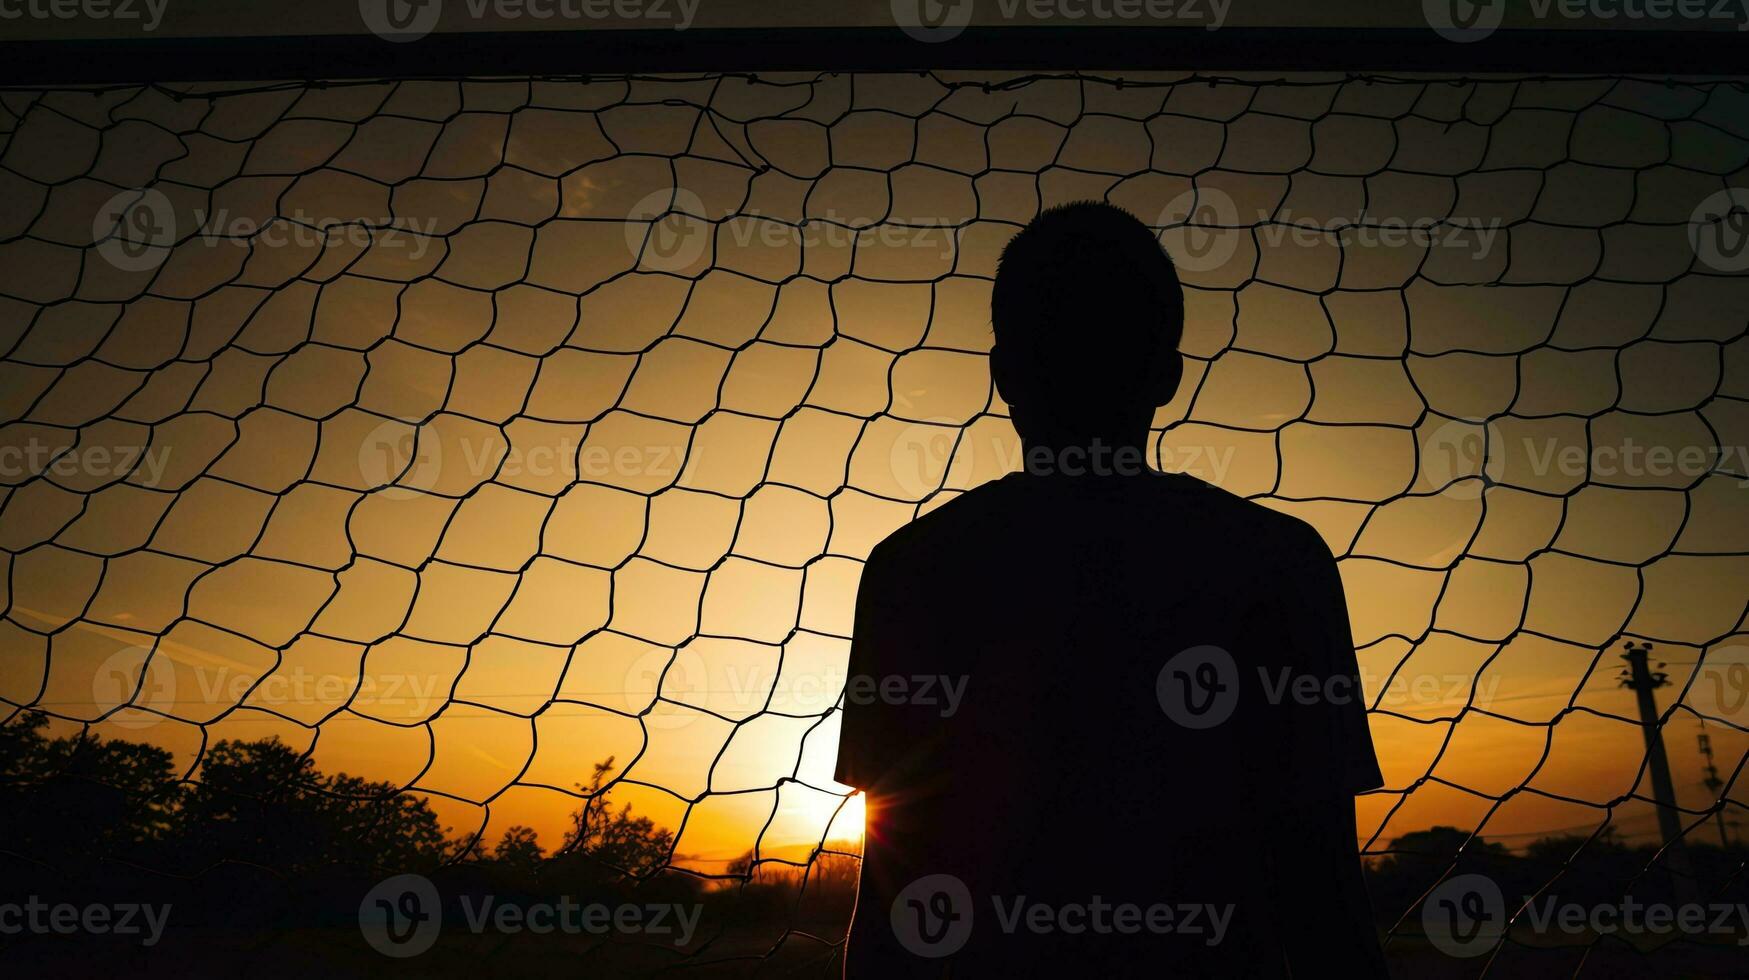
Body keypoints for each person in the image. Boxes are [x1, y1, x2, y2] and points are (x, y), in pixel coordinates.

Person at [835, 202, 1389, 977]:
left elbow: (893, 901)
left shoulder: (912, 570)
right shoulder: (1276, 561)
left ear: (1001, 376)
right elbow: (1326, 899)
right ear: (1167, 375)